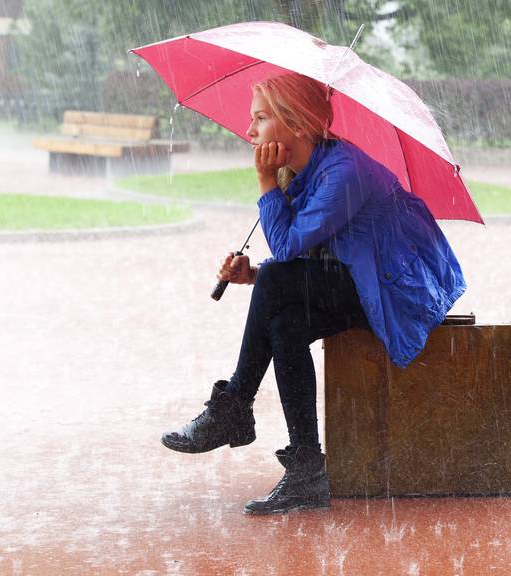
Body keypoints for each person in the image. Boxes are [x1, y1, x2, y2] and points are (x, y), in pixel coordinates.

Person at [161, 73, 466, 515]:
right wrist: (254, 274)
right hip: (361, 281)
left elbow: (288, 249)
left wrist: (266, 182)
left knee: (277, 283)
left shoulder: (345, 173)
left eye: (261, 119)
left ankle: (234, 407)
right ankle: (307, 470)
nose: (249, 132)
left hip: (395, 293)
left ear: (298, 124)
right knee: (285, 324)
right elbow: (310, 259)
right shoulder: (310, 172)